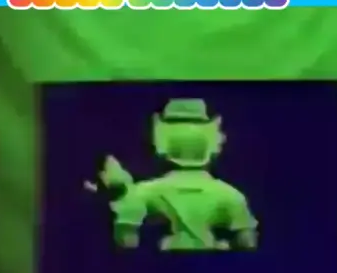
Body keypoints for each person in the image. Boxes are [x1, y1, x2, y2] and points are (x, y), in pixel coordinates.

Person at [85, 98, 258, 250]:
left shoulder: (145, 191)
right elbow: (247, 242)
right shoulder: (230, 195)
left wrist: (121, 196)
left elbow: (126, 237)